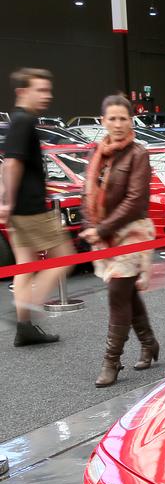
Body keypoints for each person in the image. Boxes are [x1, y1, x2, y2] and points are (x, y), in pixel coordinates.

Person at [79, 94, 158, 387]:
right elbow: (88, 193)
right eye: (112, 118)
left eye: (123, 118)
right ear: (103, 121)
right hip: (106, 233)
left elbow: (136, 201)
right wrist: (91, 226)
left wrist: (101, 229)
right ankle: (149, 343)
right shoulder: (96, 152)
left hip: (132, 233)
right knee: (126, 292)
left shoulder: (138, 154)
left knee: (117, 293)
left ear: (131, 120)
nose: (118, 124)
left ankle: (111, 361)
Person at [0, 68, 73, 346]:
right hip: (30, 208)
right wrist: (8, 202)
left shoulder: (19, 120)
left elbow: (10, 163)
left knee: (25, 265)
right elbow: (12, 163)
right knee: (64, 257)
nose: (47, 95)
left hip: (20, 208)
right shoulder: (23, 121)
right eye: (40, 90)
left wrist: (7, 203)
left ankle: (24, 327)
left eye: (48, 89)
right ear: (22, 92)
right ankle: (27, 312)